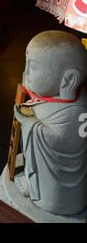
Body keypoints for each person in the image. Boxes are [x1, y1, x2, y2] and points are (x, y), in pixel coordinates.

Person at [14, 30, 87, 216]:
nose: (26, 72)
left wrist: (28, 122)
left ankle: (34, 187)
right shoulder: (76, 101)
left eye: (33, 67)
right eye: (26, 63)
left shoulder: (75, 111)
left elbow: (61, 139)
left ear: (69, 80)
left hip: (57, 193)